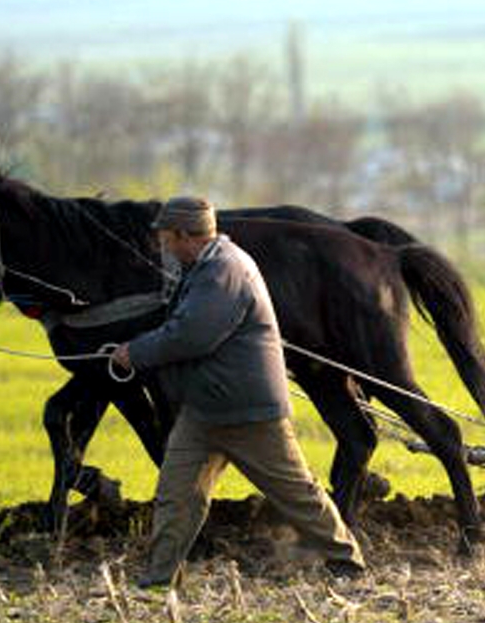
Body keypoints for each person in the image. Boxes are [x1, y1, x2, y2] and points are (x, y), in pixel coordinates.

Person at [111, 196, 365, 588]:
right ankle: (160, 578)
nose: (162, 246)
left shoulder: (223, 271)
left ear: (183, 235)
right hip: (203, 411)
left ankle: (347, 562)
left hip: (250, 412)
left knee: (296, 493)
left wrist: (136, 352)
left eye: (165, 237)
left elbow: (191, 335)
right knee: (176, 498)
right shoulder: (205, 265)